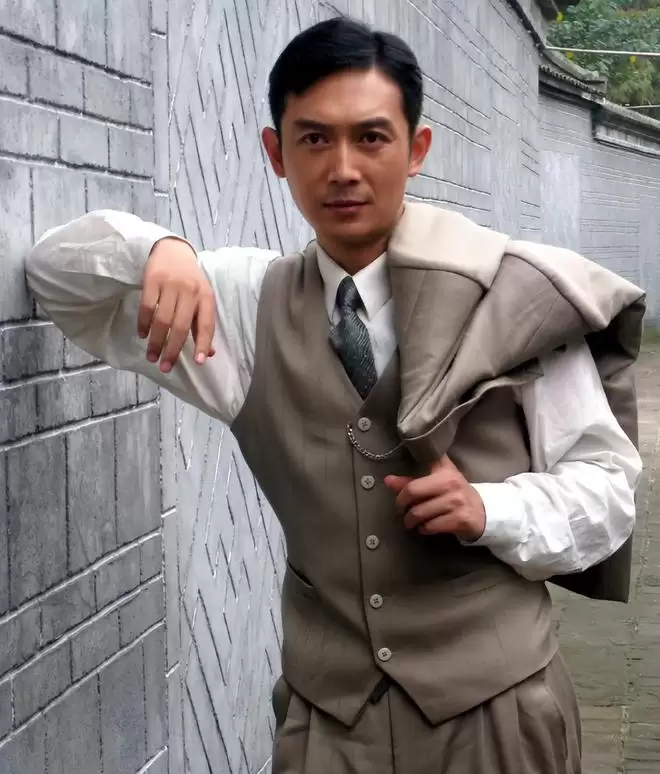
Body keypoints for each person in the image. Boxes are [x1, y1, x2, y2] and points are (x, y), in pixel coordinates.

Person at [26, 17, 644, 774]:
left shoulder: (512, 296)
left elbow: (608, 491)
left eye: (371, 137)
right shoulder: (245, 305)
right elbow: (55, 277)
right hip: (327, 723)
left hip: (497, 716)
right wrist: (155, 248)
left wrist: (493, 509)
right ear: (275, 154)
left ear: (416, 149)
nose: (343, 169)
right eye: (314, 139)